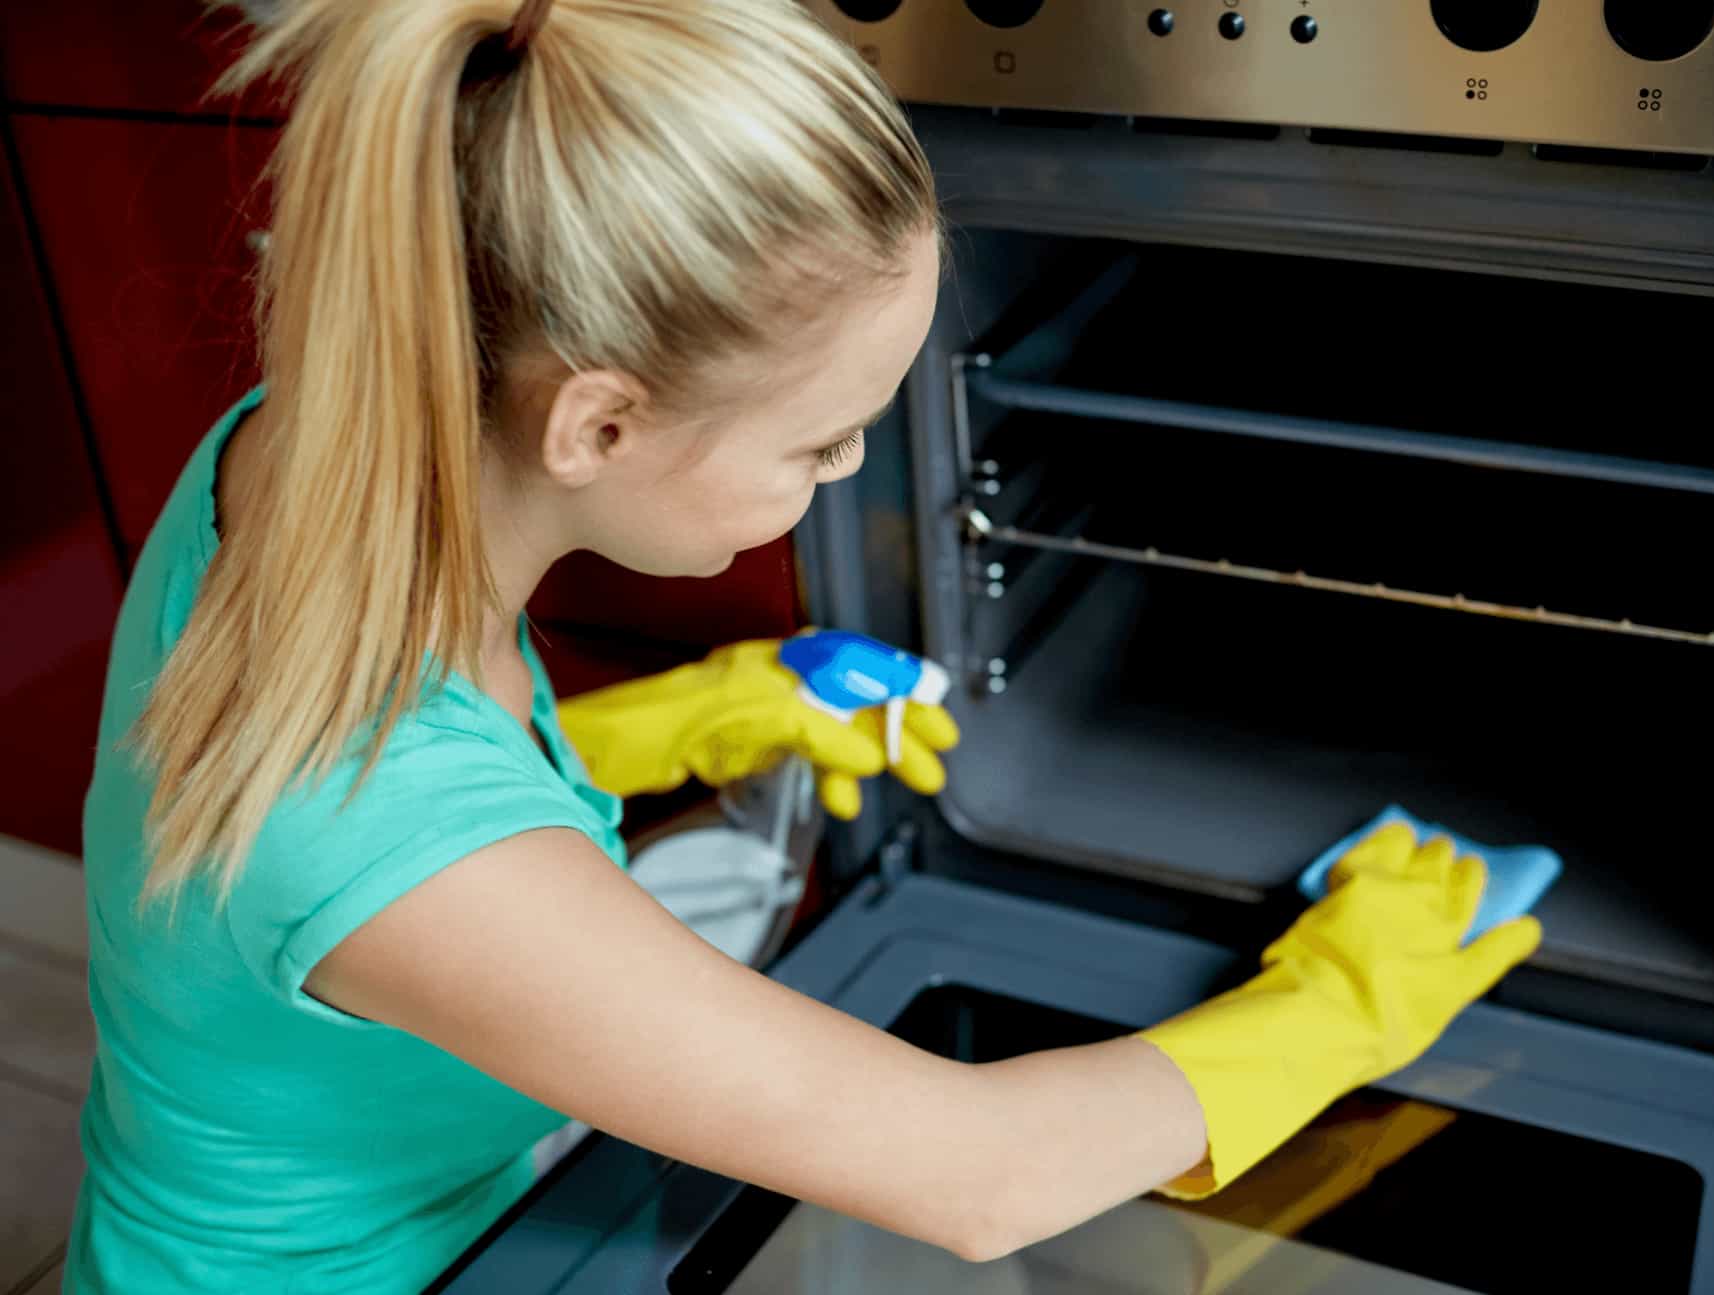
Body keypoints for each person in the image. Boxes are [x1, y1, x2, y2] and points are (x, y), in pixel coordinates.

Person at [65, 1, 1542, 1290]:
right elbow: (977, 1175)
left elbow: (415, 792)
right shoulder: (379, 839)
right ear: (595, 423)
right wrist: (1342, 1002)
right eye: (822, 438)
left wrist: (712, 710)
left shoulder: (298, 465)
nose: (848, 475)